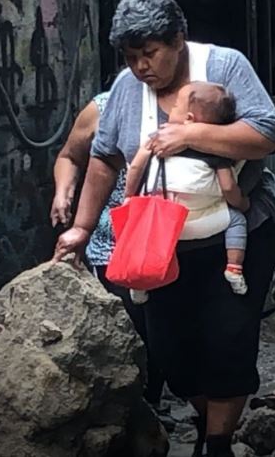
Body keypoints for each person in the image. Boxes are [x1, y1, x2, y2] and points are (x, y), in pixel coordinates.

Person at [52, 0, 275, 457]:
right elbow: (102, 162)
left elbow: (266, 134)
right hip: (159, 246)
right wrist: (81, 227)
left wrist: (190, 133)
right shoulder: (124, 89)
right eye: (131, 57)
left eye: (150, 54)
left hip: (234, 236)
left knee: (228, 339)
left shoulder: (223, 67)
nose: (141, 66)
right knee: (170, 352)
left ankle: (217, 443)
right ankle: (204, 418)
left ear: (178, 40)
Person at [50, 91, 168, 410]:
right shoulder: (102, 108)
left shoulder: (191, 102)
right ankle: (145, 409)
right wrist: (64, 191)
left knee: (165, 333)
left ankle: (156, 402)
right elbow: (70, 156)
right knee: (133, 329)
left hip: (170, 238)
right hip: (114, 241)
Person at [123, 81, 251, 304]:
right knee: (237, 220)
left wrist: (129, 197)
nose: (170, 109)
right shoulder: (215, 147)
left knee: (149, 240)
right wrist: (241, 203)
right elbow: (229, 187)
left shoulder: (158, 136)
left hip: (164, 221)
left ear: (190, 118)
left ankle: (140, 283)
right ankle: (234, 268)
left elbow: (135, 167)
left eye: (175, 106)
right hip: (201, 221)